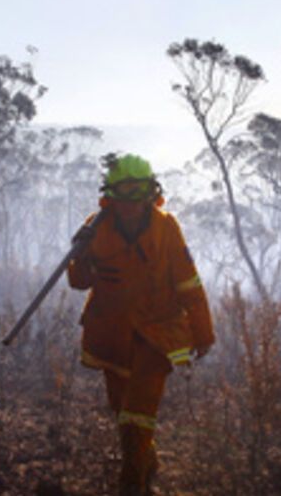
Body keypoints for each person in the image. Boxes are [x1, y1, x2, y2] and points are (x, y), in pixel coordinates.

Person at [67, 153, 215, 496]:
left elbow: (188, 283)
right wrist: (78, 254)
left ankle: (131, 484)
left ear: (151, 194)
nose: (132, 205)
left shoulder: (167, 227)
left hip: (157, 333)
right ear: (112, 197)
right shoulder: (96, 228)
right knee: (122, 410)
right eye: (124, 196)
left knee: (139, 409)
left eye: (139, 195)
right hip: (111, 334)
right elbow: (79, 281)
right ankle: (146, 461)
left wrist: (203, 332)